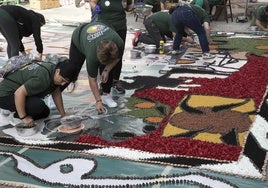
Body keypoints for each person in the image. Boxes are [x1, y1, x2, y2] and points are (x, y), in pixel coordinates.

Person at [0, 58, 77, 127]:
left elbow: (56, 92)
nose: (63, 84)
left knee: (45, 112)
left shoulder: (53, 69)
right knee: (37, 106)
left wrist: (63, 114)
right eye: (63, 80)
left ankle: (17, 110)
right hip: (5, 95)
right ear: (57, 71)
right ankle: (15, 116)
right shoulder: (42, 78)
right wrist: (24, 117)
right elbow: (19, 93)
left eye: (66, 82)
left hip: (17, 91)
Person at [68, 21, 125, 113]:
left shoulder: (119, 42)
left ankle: (106, 95)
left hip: (97, 32)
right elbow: (92, 80)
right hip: (79, 37)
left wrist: (107, 69)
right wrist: (98, 101)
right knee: (71, 70)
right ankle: (54, 92)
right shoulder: (92, 55)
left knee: (110, 70)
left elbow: (117, 58)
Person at [88, 0, 135, 94]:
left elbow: (129, 7)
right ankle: (104, 84)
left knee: (118, 54)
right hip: (104, 27)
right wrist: (95, 7)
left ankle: (115, 81)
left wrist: (129, 6)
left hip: (120, 27)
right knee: (104, 52)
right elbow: (92, 2)